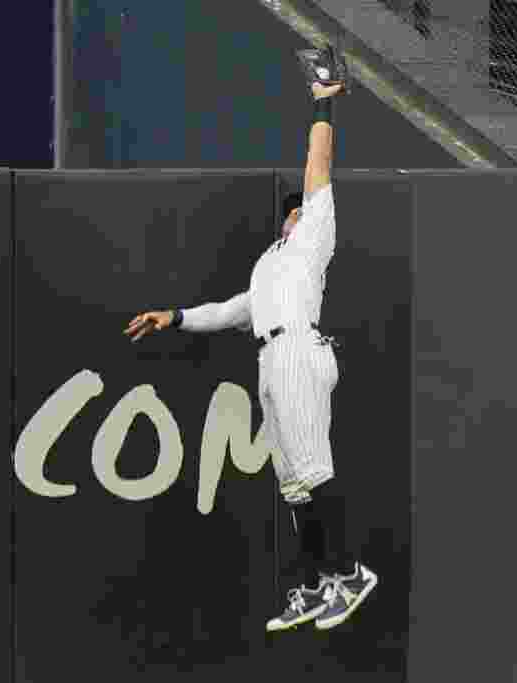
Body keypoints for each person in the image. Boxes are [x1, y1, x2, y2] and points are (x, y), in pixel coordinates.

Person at [122, 46, 377, 633]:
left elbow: (318, 165)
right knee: (293, 485)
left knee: (314, 473)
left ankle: (350, 574)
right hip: (270, 354)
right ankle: (314, 586)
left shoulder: (315, 234)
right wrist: (176, 316)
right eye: (290, 210)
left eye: (299, 208)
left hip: (296, 351)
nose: (295, 212)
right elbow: (230, 310)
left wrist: (324, 106)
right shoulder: (272, 263)